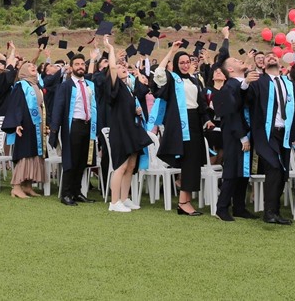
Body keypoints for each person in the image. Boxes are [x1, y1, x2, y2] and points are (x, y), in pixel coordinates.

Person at [149, 41, 210, 216]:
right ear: (176, 64)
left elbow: (201, 104)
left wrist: (207, 120)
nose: (185, 65)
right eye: (181, 62)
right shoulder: (172, 79)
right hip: (179, 123)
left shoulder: (193, 80)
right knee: (188, 163)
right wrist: (171, 51)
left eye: (187, 62)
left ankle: (186, 201)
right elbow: (158, 75)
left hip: (195, 123)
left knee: (193, 162)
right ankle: (184, 202)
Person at [103, 36, 151, 212]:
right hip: (120, 130)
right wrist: (111, 49)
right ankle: (114, 202)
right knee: (121, 166)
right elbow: (113, 67)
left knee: (131, 165)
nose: (123, 68)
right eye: (120, 67)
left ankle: (124, 198)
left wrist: (136, 111)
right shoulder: (114, 85)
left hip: (131, 129)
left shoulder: (128, 88)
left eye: (125, 67)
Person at [248, 51, 295, 225]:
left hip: (284, 132)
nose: (271, 57)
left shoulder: (287, 83)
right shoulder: (259, 82)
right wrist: (246, 83)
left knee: (282, 172)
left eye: (273, 56)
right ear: (262, 64)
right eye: (267, 57)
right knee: (274, 167)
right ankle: (269, 212)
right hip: (266, 132)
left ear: (279, 61)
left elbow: (293, 109)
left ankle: (275, 211)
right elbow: (246, 98)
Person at [49, 47, 98, 206]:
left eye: (82, 64)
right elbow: (58, 107)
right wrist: (54, 129)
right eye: (77, 64)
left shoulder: (89, 85)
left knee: (83, 161)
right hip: (73, 126)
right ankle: (66, 194)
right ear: (71, 67)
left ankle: (77, 192)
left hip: (87, 126)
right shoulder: (66, 85)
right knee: (71, 161)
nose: (80, 66)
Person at [213, 54, 258, 221]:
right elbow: (232, 113)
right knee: (232, 170)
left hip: (246, 131)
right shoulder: (229, 86)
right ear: (230, 69)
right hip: (235, 134)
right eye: (235, 61)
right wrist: (242, 137)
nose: (240, 60)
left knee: (243, 171)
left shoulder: (242, 84)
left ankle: (239, 207)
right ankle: (222, 207)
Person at [0, 61, 47, 199]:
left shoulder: (36, 85)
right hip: (25, 124)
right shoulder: (21, 86)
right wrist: (16, 123)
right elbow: (15, 105)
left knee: (34, 153)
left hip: (36, 125)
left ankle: (27, 186)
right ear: (23, 71)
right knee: (25, 154)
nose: (33, 67)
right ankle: (16, 186)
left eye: (34, 66)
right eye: (29, 66)